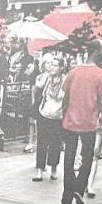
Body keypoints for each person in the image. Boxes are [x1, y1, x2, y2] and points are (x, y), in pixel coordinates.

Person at [60, 46, 102, 204]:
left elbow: (65, 97)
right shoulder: (101, 74)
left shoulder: (73, 72)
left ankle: (67, 194)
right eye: (101, 51)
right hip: (89, 122)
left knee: (69, 155)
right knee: (88, 156)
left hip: (70, 120)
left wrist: (64, 115)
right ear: (95, 54)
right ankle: (79, 188)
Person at [32, 54, 66, 183]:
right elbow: (37, 92)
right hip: (44, 114)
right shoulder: (45, 78)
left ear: (62, 67)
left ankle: (53, 169)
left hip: (58, 117)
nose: (52, 67)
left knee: (55, 144)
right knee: (42, 142)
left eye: (55, 65)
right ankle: (40, 170)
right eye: (51, 64)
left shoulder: (65, 81)